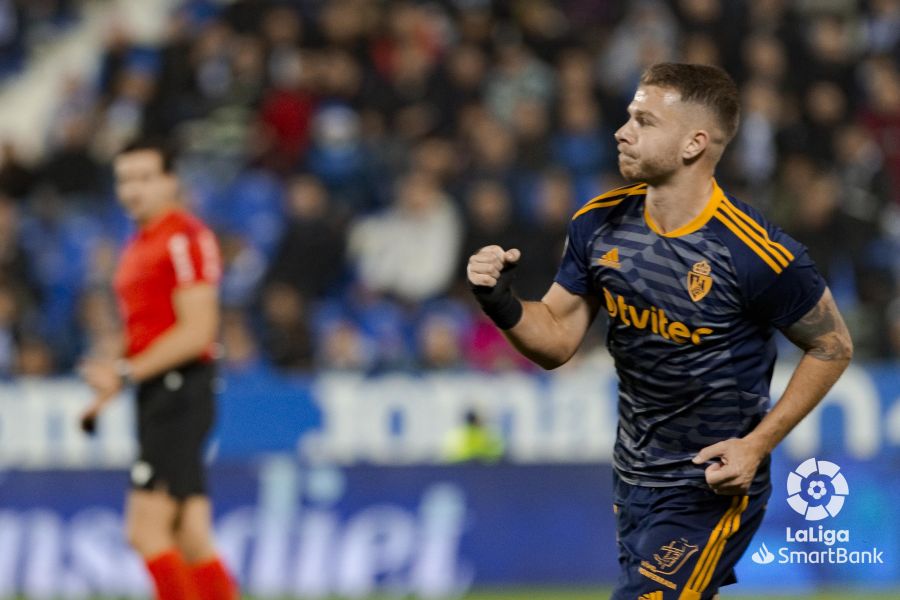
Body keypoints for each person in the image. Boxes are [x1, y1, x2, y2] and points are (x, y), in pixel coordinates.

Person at [467, 63, 853, 600]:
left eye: (644, 121)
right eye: (628, 116)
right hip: (633, 477)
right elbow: (555, 341)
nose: (622, 131)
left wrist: (757, 445)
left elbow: (832, 345)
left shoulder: (754, 251)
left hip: (712, 482)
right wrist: (499, 299)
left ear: (694, 143)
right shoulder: (597, 224)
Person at [79, 139, 238, 600]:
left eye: (145, 177)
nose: (133, 189)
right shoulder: (139, 244)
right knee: (190, 535)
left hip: (179, 391)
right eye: (125, 179)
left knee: (145, 531)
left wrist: (126, 372)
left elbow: (199, 330)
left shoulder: (184, 237)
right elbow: (146, 330)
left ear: (171, 181)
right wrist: (111, 383)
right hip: (158, 391)